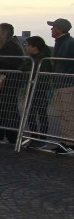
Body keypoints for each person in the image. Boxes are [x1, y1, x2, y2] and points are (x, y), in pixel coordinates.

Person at [0, 23, 25, 145]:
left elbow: (8, 64)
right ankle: (5, 134)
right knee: (7, 107)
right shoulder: (11, 45)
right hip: (10, 80)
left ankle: (9, 135)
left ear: (4, 33)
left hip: (10, 81)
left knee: (8, 107)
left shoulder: (10, 46)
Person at [48, 18, 74, 152]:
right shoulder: (64, 42)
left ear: (60, 29)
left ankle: (70, 142)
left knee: (68, 113)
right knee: (63, 114)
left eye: (53, 27)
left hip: (66, 83)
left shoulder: (68, 43)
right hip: (61, 83)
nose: (51, 29)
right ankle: (67, 140)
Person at [24, 36, 52, 148]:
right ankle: (35, 136)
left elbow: (43, 74)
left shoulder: (43, 59)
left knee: (40, 113)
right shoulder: (32, 58)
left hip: (41, 88)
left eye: (28, 45)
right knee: (31, 113)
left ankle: (42, 138)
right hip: (34, 87)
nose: (26, 47)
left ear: (34, 47)